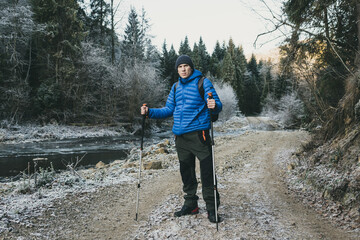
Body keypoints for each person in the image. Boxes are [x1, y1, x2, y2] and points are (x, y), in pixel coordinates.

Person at [140, 55, 222, 223]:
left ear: (191, 67)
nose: (183, 69)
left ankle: (212, 209)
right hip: (181, 138)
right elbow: (168, 109)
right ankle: (191, 205)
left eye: (186, 66)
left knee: (207, 172)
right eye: (180, 67)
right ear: (177, 69)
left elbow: (217, 104)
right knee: (187, 173)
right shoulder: (176, 87)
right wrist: (149, 112)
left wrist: (214, 106)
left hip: (200, 135)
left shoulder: (203, 82)